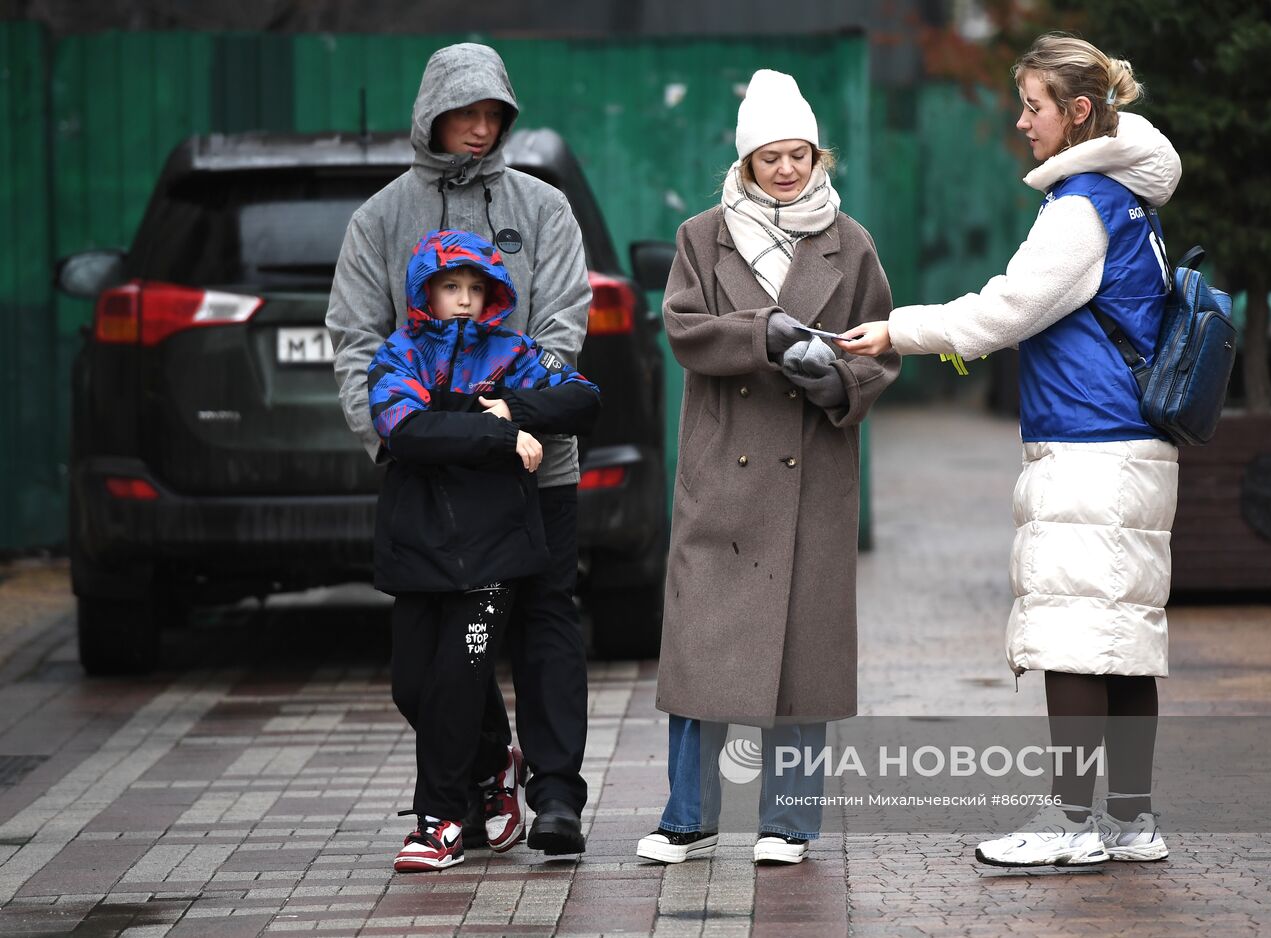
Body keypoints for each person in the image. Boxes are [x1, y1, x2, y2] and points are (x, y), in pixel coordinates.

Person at [841, 32, 1181, 867]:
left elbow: (1000, 314)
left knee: (1074, 635)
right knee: (1121, 642)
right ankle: (1130, 825)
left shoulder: (1082, 210)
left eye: (1032, 107)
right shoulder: (1131, 203)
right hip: (1134, 445)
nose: (1021, 123)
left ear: (1076, 113)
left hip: (1089, 445)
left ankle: (1070, 826)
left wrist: (897, 329)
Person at [327, 43, 595, 856]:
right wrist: (400, 435)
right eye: (464, 112)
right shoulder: (380, 217)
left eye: (493, 115)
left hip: (534, 468)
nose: (480, 129)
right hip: (431, 483)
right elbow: (354, 339)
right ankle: (482, 770)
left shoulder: (543, 208)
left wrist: (511, 417)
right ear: (430, 114)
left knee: (546, 620)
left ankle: (554, 795)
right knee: (439, 653)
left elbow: (559, 330)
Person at [635, 69, 900, 866]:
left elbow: (881, 343)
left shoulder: (849, 243)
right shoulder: (701, 235)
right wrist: (766, 333)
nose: (786, 170)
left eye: (799, 155)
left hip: (810, 470)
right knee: (700, 651)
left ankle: (789, 822)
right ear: (745, 163)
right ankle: (689, 816)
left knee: (803, 655)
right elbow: (682, 329)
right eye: (769, 158)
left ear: (819, 156)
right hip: (723, 469)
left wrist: (841, 379)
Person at [371, 229, 599, 872]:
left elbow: (583, 397)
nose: (465, 301)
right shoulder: (398, 355)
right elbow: (407, 430)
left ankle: (437, 821)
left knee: (457, 679)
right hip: (420, 546)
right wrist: (499, 438)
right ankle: (495, 757)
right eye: (451, 288)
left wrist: (514, 408)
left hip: (496, 551)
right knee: (412, 685)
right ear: (425, 294)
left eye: (477, 288)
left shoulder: (516, 352)